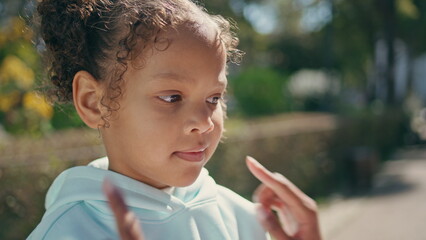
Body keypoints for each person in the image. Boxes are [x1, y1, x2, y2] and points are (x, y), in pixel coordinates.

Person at [29, 0, 322, 239]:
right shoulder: (67, 232)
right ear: (93, 102)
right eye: (172, 97)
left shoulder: (242, 218)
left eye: (214, 99)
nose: (205, 122)